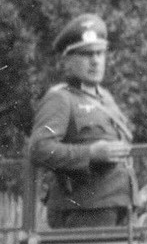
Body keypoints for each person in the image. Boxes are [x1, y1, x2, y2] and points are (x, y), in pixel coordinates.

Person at [29, 13, 134, 228]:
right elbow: (39, 148)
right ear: (68, 60)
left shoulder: (106, 99)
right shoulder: (60, 99)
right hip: (84, 211)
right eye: (87, 55)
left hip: (119, 205)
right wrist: (90, 154)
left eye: (100, 53)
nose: (95, 61)